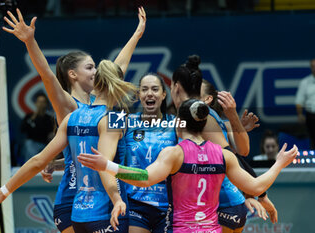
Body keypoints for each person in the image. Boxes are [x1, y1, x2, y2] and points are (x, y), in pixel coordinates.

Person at [3, 7, 146, 233]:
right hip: (76, 198)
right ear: (73, 74)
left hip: (104, 194)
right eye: (90, 67)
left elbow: (118, 70)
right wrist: (30, 42)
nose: (95, 71)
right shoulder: (71, 108)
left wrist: (136, 35)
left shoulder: (104, 109)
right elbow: (47, 76)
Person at [77, 99, 298, 233]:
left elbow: (144, 178)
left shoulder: (174, 154)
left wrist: (107, 165)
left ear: (179, 124)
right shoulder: (223, 156)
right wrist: (279, 163)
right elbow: (258, 186)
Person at [0, 60, 138, 233]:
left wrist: (4, 191)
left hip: (79, 215)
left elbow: (39, 161)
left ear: (95, 84)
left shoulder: (72, 118)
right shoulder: (113, 118)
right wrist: (117, 199)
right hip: (106, 212)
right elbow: (104, 165)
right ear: (118, 85)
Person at [170, 55, 277, 232]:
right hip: (216, 204)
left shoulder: (204, 118)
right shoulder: (196, 116)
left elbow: (234, 156)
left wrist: (260, 194)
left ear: (176, 87)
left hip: (222, 204)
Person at [123, 74, 177, 233]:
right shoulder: (126, 122)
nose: (149, 93)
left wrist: (233, 128)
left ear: (163, 94)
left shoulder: (176, 124)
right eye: (144, 89)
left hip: (167, 205)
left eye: (155, 89)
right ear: (139, 95)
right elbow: (103, 150)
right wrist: (57, 163)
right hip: (135, 203)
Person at [20, 93, 55, 162]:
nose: (41, 104)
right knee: (29, 144)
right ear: (35, 103)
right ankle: (30, 166)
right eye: (39, 102)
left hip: (45, 144)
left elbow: (51, 133)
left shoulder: (49, 118)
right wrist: (33, 118)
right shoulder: (29, 117)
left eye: (43, 102)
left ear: (46, 104)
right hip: (32, 143)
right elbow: (22, 129)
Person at [295, 59, 315, 149]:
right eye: (313, 66)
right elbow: (299, 101)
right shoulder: (305, 82)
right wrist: (300, 114)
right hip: (311, 116)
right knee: (312, 140)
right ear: (311, 68)